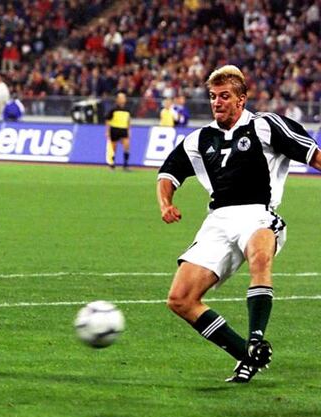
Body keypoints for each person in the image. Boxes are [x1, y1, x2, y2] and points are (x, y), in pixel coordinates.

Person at [157, 65, 321, 383]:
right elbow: (168, 173)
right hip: (217, 220)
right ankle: (247, 354)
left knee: (260, 255)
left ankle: (257, 337)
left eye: (225, 96)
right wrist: (166, 203)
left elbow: (314, 156)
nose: (217, 102)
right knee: (180, 299)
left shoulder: (266, 126)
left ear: (242, 99)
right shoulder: (200, 139)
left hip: (259, 213)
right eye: (213, 97)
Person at [105, 92, 131, 170]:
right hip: (114, 129)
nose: (123, 99)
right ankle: (112, 164)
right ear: (117, 99)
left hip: (124, 129)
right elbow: (107, 120)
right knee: (113, 147)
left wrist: (129, 130)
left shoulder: (127, 110)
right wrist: (107, 131)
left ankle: (125, 164)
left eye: (124, 97)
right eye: (121, 97)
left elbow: (129, 121)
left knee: (126, 146)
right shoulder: (113, 109)